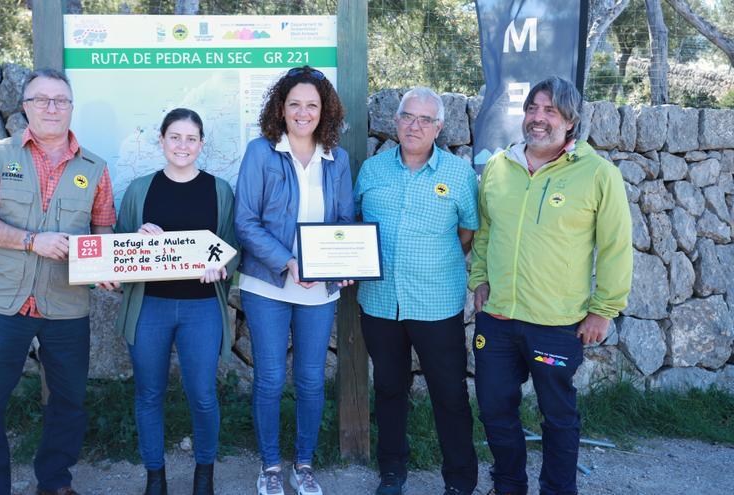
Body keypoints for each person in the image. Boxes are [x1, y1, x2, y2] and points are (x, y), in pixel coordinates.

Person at [469, 77, 632, 495]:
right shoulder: (499, 168)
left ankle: (558, 490)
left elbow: (615, 246)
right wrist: (481, 279)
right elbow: (486, 231)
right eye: (533, 109)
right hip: (499, 319)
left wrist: (603, 309)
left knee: (557, 415)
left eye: (550, 111)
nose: (538, 118)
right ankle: (508, 486)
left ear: (571, 121)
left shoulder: (598, 174)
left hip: (556, 324)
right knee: (493, 409)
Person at [0, 68, 116, 495]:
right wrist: (32, 241)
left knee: (68, 405)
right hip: (2, 303)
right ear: (25, 106)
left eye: (60, 100)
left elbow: (103, 233)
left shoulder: (96, 169)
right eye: (41, 99)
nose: (51, 107)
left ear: (70, 107)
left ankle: (55, 483)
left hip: (66, 306)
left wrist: (111, 266)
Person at [234, 66, 354, 495]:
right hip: (268, 284)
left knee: (309, 379)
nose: (303, 113)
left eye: (312, 105)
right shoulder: (260, 152)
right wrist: (288, 262)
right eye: (295, 104)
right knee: (269, 378)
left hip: (318, 291)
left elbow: (343, 222)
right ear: (280, 109)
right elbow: (245, 222)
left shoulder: (337, 160)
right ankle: (269, 466)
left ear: (325, 111)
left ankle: (303, 465)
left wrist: (339, 264)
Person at [354, 87, 479, 495]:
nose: (415, 125)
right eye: (409, 116)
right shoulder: (372, 170)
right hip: (379, 302)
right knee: (389, 388)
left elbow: (467, 233)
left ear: (439, 127)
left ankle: (459, 481)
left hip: (435, 303)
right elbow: (353, 223)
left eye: (426, 120)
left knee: (450, 393)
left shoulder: (458, 175)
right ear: (396, 120)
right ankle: (392, 472)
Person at [114, 108, 239, 495]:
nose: (183, 145)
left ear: (201, 144)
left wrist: (218, 266)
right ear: (162, 141)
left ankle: (205, 474)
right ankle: (156, 476)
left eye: (191, 138)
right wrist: (138, 237)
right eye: (175, 137)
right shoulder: (139, 189)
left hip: (201, 308)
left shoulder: (219, 189)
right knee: (148, 394)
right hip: (150, 305)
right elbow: (119, 248)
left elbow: (232, 248)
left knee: (202, 395)